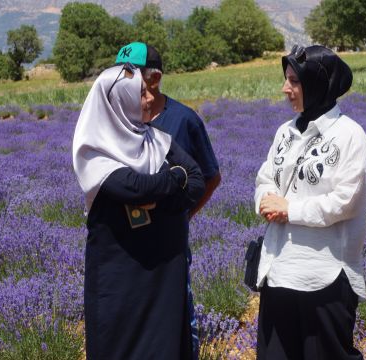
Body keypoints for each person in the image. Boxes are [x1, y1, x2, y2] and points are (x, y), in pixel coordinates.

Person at [72, 63, 205, 360]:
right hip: (121, 281)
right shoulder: (94, 151)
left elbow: (196, 180)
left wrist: (159, 199)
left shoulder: (158, 139)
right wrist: (174, 180)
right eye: (141, 93)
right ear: (118, 101)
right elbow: (132, 186)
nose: (149, 99)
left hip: (164, 274)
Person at [254, 45, 366, 359]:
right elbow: (265, 176)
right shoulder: (285, 132)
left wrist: (289, 209)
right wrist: (265, 199)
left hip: (324, 277)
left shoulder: (350, 135)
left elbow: (344, 201)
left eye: (294, 81)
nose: (285, 89)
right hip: (277, 271)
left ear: (317, 84)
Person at [116, 42, 221, 358]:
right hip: (126, 245)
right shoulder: (119, 119)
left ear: (155, 78)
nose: (122, 80)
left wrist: (184, 215)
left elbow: (210, 177)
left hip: (169, 245)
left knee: (177, 314)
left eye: (130, 74)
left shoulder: (183, 120)